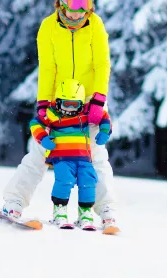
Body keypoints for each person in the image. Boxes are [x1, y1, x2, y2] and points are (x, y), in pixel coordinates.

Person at [1, 0, 119, 232]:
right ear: (62, 3)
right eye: (75, 5)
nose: (80, 11)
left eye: (86, 4)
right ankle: (14, 202)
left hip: (89, 102)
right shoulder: (48, 27)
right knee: (40, 151)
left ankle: (106, 209)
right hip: (60, 102)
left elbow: (102, 64)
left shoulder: (95, 25)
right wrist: (44, 103)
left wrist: (99, 98)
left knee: (96, 155)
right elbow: (47, 68)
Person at [30, 78, 111, 231]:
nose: (70, 109)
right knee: (64, 181)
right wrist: (43, 138)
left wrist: (105, 131)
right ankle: (59, 211)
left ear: (80, 104)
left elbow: (104, 116)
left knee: (88, 182)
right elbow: (35, 123)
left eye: (74, 105)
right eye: (66, 104)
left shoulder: (85, 113)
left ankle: (85, 213)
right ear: (59, 101)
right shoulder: (52, 114)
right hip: (62, 158)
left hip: (84, 159)